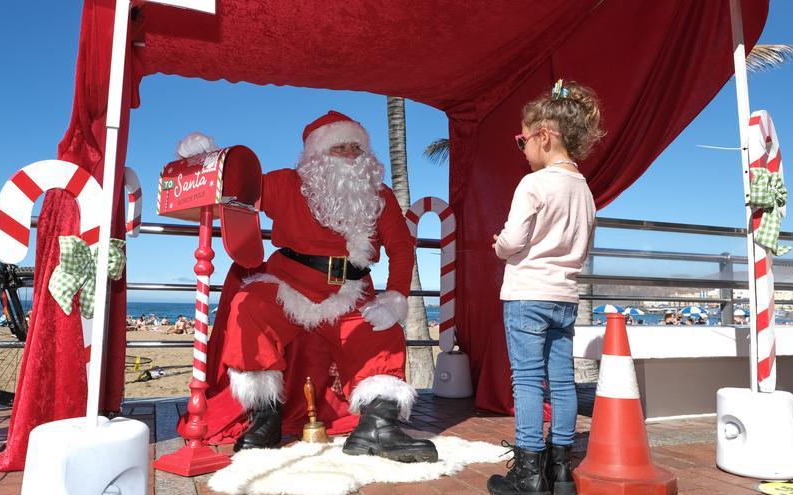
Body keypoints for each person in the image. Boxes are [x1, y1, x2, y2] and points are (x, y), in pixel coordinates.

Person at [177, 110, 437, 463]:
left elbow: (402, 248)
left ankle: (377, 426)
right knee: (249, 305)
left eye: (355, 147)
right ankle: (265, 418)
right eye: (338, 147)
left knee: (382, 330)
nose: (349, 154)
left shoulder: (380, 196)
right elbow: (236, 189)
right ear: (315, 155)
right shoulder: (286, 183)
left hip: (351, 291)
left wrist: (395, 296)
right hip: (288, 285)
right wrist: (208, 161)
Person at [488, 80, 602, 495]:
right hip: (565, 297)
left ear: (544, 136)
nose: (522, 149)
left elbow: (514, 241)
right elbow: (583, 245)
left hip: (527, 294)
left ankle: (529, 473)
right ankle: (560, 471)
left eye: (522, 140)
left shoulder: (533, 184)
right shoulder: (585, 191)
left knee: (527, 381)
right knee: (562, 381)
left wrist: (499, 246)